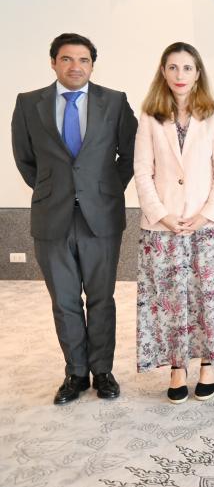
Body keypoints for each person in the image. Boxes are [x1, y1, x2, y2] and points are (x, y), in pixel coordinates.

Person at [11, 33, 137, 404]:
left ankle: (103, 372)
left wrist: (104, 189)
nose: (75, 66)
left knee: (101, 298)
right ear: (53, 62)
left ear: (92, 65)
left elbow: (131, 154)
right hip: (52, 217)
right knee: (64, 301)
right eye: (67, 59)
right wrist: (55, 190)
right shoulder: (28, 103)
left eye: (83, 60)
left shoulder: (114, 101)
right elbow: (25, 159)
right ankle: (76, 373)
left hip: (101, 217)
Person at [133, 42, 214, 403]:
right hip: (162, 228)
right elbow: (142, 171)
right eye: (173, 67)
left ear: (198, 74)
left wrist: (206, 213)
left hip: (206, 226)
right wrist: (161, 214)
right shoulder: (150, 115)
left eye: (187, 68)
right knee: (171, 299)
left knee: (208, 297)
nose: (180, 75)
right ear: (163, 72)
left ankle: (209, 363)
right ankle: (177, 366)